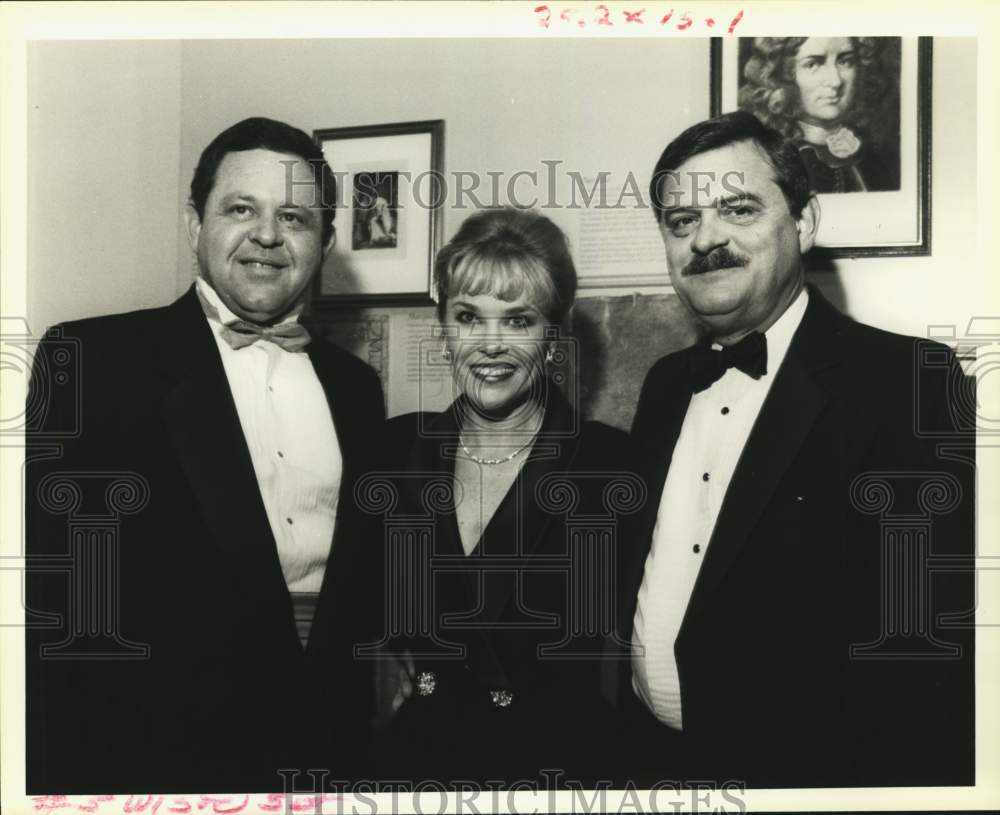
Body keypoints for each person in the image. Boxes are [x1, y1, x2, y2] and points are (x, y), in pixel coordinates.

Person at [25, 117, 386, 792]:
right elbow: (50, 615)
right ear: (196, 223)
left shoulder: (356, 388)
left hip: (323, 761)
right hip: (153, 768)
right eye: (240, 209)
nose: (268, 235)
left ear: (326, 241)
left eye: (296, 217)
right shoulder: (93, 362)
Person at [617, 111, 974, 787]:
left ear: (804, 225)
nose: (706, 239)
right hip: (652, 769)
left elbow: (929, 653)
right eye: (681, 221)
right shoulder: (665, 384)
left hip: (808, 779)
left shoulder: (907, 384)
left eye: (738, 208)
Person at [367, 207, 641, 786]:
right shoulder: (392, 454)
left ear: (553, 336)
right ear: (443, 328)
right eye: (468, 316)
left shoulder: (612, 466)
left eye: (518, 321)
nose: (490, 345)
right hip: (413, 775)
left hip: (559, 778)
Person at [738, 36, 900, 193]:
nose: (835, 81)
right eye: (813, 64)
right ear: (782, 75)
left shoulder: (876, 159)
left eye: (846, 61)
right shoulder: (767, 161)